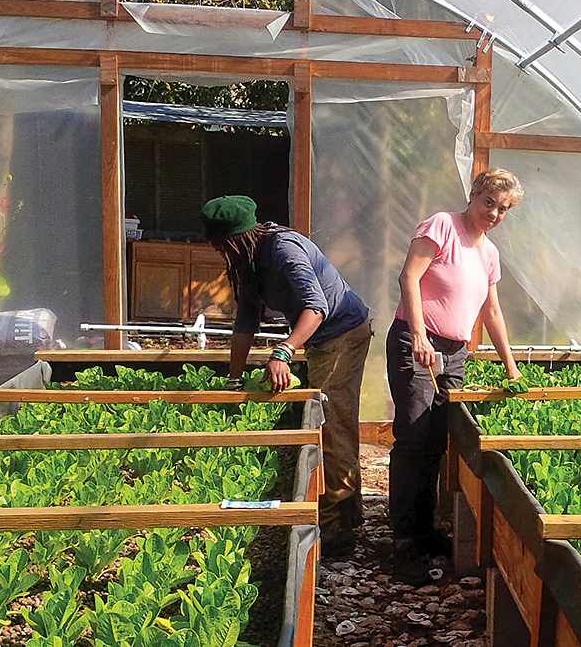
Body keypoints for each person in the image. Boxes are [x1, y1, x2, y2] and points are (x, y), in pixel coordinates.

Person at [200, 195, 373, 558]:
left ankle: (338, 532)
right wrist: (234, 379)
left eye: (221, 247)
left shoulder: (283, 251)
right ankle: (349, 515)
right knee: (328, 421)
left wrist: (284, 350)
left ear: (236, 239)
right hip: (320, 337)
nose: (221, 255)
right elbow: (247, 317)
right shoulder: (247, 261)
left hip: (341, 333)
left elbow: (316, 306)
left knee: (331, 426)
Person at [387, 167, 524, 584]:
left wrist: (511, 365)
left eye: (502, 209)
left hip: (455, 351)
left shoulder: (489, 254)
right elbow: (409, 276)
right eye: (489, 203)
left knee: (439, 438)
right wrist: (418, 335)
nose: (494, 213)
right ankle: (404, 539)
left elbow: (492, 311)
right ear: (474, 194)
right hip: (418, 341)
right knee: (413, 433)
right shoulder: (442, 226)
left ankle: (427, 530)